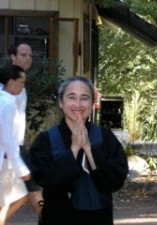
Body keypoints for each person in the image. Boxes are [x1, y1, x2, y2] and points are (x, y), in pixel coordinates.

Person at [29, 76, 129, 225]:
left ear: (92, 103)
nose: (78, 104)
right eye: (71, 97)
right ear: (61, 103)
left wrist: (89, 150)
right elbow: (45, 179)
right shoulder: (46, 140)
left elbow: (115, 180)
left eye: (84, 98)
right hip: (57, 218)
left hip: (99, 218)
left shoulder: (105, 137)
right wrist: (74, 150)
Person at [6, 43, 44, 216]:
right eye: (23, 55)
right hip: (11, 148)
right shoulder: (8, 83)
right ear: (13, 57)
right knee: (32, 189)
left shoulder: (20, 82)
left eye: (30, 55)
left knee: (21, 194)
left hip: (16, 147)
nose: (28, 58)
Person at [0, 65, 31, 225]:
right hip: (5, 163)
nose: (23, 86)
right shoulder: (8, 103)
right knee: (16, 198)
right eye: (21, 82)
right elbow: (8, 139)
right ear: (11, 82)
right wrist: (21, 168)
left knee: (7, 202)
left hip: (6, 161)